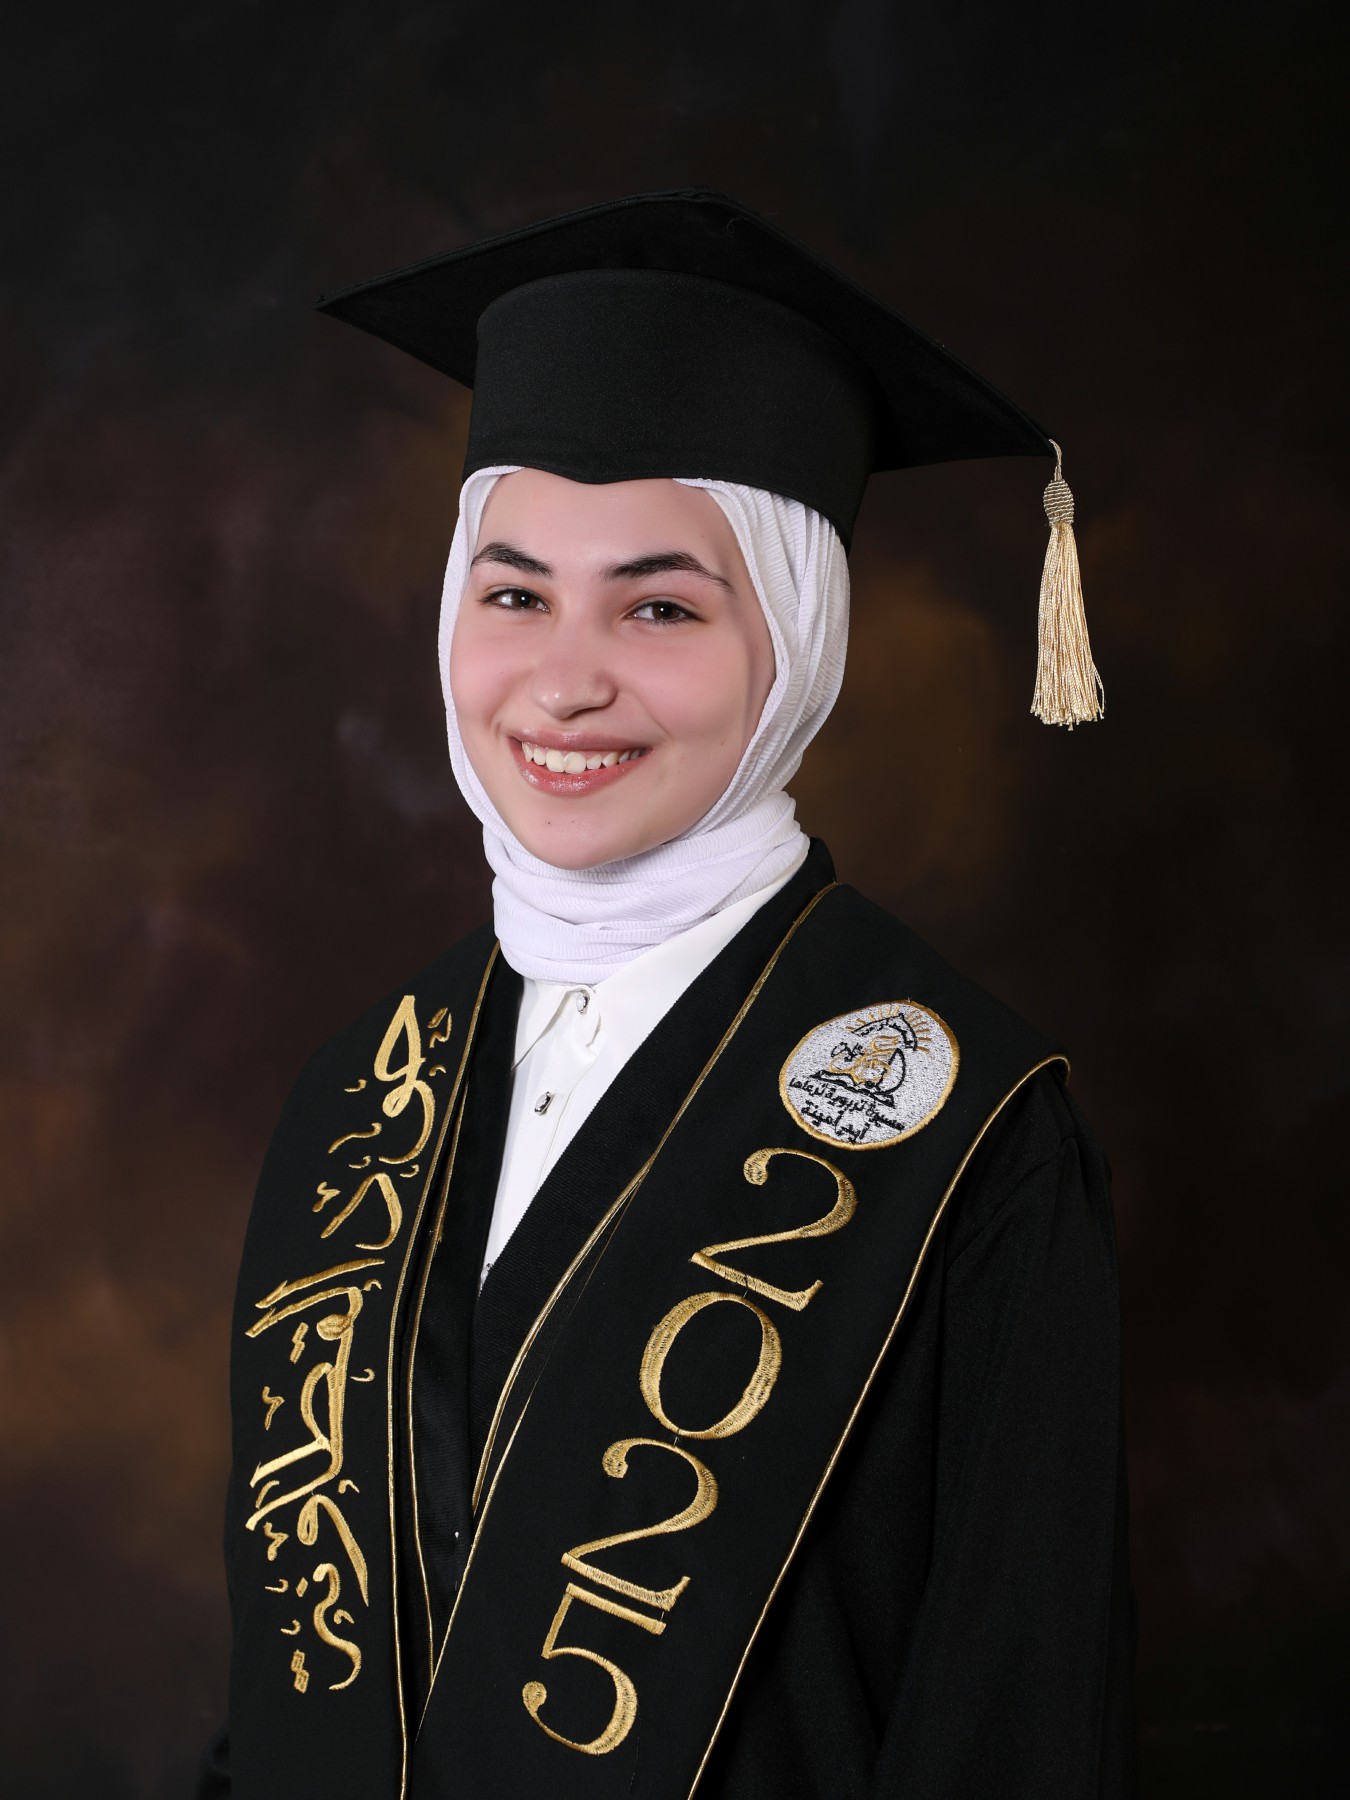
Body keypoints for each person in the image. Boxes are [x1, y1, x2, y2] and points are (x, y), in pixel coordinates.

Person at [198, 190, 1133, 1799]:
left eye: (659, 606)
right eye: (513, 593)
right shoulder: (358, 1094)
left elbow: (1014, 1728)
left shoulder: (974, 1143)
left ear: (796, 645)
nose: (563, 682)